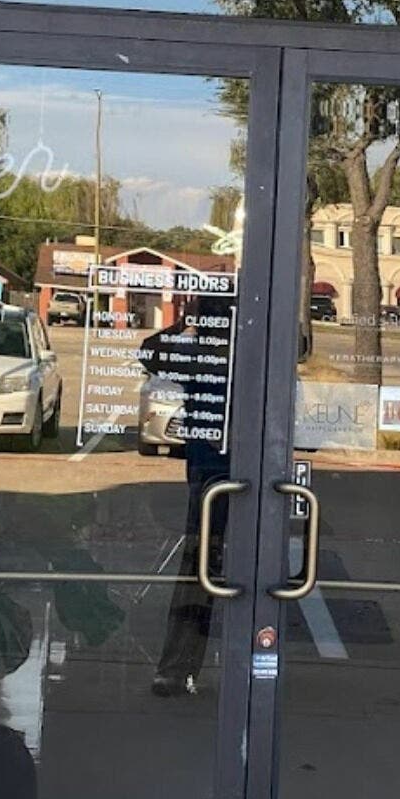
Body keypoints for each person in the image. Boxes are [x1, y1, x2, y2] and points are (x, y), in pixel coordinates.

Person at [138, 296, 234, 697]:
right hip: (220, 475)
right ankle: (183, 668)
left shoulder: (199, 355)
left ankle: (177, 669)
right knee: (215, 569)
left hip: (213, 475)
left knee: (200, 570)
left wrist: (182, 324)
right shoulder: (211, 357)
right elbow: (151, 352)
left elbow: (150, 349)